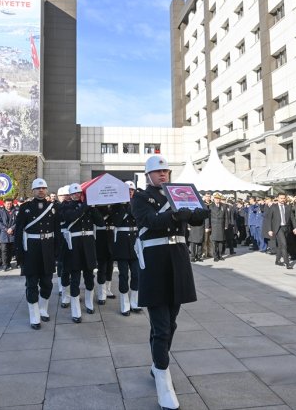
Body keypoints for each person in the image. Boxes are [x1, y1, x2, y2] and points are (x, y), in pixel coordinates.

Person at [131, 155, 208, 410]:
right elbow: (150, 221)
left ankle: (156, 363)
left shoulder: (178, 193)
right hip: (154, 263)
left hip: (177, 261)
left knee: (171, 323)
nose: (163, 175)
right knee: (161, 326)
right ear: (148, 175)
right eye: (158, 172)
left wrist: (201, 211)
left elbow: (195, 217)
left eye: (165, 171)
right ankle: (163, 377)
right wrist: (176, 216)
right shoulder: (141, 198)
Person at [15, 178, 59, 329]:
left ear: (46, 190)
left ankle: (42, 309)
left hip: (47, 249)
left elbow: (57, 231)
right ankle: (34, 316)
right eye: (38, 188)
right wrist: (19, 253)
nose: (41, 190)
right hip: (31, 250)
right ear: (33, 191)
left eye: (43, 188)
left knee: (47, 283)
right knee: (32, 284)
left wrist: (57, 252)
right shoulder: (25, 207)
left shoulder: (53, 207)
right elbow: (19, 231)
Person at [59, 183, 104, 323]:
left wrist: (93, 207)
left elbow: (101, 223)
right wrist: (86, 205)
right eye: (74, 193)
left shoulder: (89, 207)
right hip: (75, 246)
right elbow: (71, 217)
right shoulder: (66, 206)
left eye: (78, 193)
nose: (76, 195)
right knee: (75, 278)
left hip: (89, 245)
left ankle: (89, 304)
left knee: (90, 277)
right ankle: (76, 310)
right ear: (70, 195)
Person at [110, 181, 141, 315]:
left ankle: (135, 302)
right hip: (122, 242)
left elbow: (140, 219)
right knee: (123, 275)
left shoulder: (138, 204)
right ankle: (125, 305)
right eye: (127, 190)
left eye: (131, 190)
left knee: (136, 274)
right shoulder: (117, 205)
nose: (130, 192)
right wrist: (124, 207)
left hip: (135, 240)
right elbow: (115, 222)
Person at [263, 193, 294, 269]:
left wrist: (295, 227)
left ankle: (277, 260)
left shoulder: (288, 206)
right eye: (281, 198)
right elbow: (269, 219)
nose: (282, 200)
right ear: (277, 198)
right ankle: (287, 263)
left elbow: (292, 218)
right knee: (284, 244)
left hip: (286, 228)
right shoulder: (273, 207)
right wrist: (269, 230)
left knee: (280, 245)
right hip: (278, 228)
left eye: (284, 198)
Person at [95, 205, 115, 306]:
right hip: (101, 237)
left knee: (110, 266)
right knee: (102, 267)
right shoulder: (98, 207)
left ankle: (107, 289)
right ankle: (101, 293)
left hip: (112, 237)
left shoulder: (115, 206)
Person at [0, 198, 17, 271]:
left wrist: (12, 228)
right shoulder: (0, 212)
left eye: (10, 203)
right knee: (4, 250)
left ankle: (8, 263)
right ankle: (4, 265)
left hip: (12, 233)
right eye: (7, 204)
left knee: (10, 250)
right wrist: (6, 229)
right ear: (4, 204)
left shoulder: (15, 211)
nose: (9, 205)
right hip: (4, 234)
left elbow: (17, 222)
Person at [209, 193, 227, 261]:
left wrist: (226, 225)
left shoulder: (223, 206)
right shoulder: (210, 206)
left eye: (218, 199)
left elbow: (226, 217)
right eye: (216, 199)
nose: (217, 200)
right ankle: (215, 256)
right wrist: (208, 226)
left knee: (221, 242)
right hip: (214, 225)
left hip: (221, 225)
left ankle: (220, 255)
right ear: (214, 199)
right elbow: (208, 217)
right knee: (214, 242)